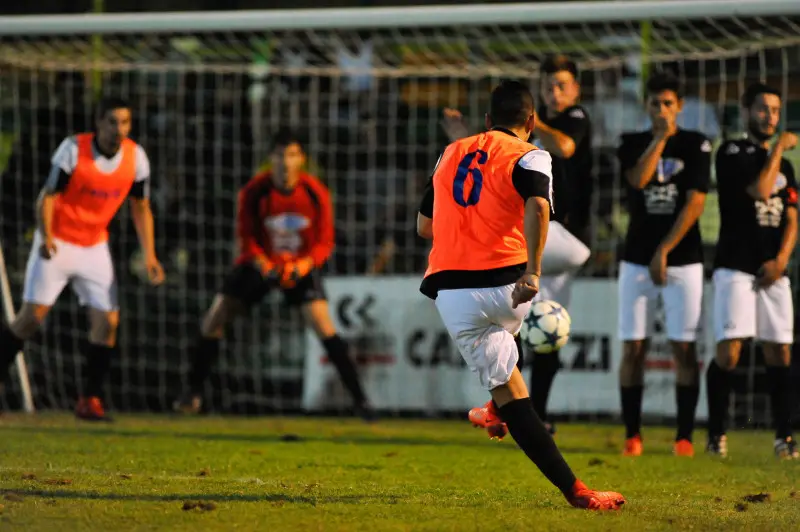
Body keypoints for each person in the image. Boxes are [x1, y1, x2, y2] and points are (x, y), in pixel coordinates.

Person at [418, 80, 625, 510]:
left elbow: (424, 226)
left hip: (450, 294)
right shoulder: (531, 153)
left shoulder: (450, 153)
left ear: (487, 121)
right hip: (506, 285)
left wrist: (467, 225)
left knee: (514, 400)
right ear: (531, 121)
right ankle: (509, 418)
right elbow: (537, 205)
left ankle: (576, 490)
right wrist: (533, 269)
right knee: (566, 267)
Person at [173, 129, 374, 420]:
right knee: (215, 317)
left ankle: (361, 402)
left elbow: (325, 241)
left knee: (323, 325)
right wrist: (263, 262)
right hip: (261, 265)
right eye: (280, 155)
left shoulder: (315, 192)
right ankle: (191, 395)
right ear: (271, 159)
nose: (286, 162)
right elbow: (246, 236)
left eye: (291, 155)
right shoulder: (254, 191)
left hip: (299, 267)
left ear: (301, 159)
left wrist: (304, 265)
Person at [442, 55, 592, 435]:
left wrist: (533, 118)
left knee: (495, 254)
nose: (555, 93)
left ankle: (509, 406)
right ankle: (526, 413)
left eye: (561, 86)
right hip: (541, 247)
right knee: (539, 326)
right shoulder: (518, 138)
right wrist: (463, 139)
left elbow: (567, 148)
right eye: (548, 87)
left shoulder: (573, 120)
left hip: (563, 238)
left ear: (575, 90)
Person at [0, 97, 165, 421]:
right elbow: (48, 197)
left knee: (108, 323)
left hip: (93, 246)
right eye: (112, 122)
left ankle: (90, 399)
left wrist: (150, 255)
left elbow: (141, 207)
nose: (119, 130)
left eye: (125, 123)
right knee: (30, 319)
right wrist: (45, 236)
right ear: (99, 123)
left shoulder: (136, 157)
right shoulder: (74, 149)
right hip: (57, 241)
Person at [616, 73, 712, 457]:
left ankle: (684, 437)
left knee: (683, 348)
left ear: (680, 106)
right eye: (655, 103)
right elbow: (638, 181)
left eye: (668, 103)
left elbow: (696, 202)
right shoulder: (631, 143)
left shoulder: (696, 144)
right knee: (633, 348)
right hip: (636, 258)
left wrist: (666, 250)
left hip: (683, 259)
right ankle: (632, 435)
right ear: (647, 106)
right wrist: (658, 139)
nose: (661, 110)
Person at [707, 83, 798, 459]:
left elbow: (792, 216)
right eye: (763, 109)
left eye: (776, 110)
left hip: (774, 270)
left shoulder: (788, 168)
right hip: (736, 266)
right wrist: (777, 147)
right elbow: (762, 191)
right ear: (746, 112)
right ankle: (716, 434)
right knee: (730, 354)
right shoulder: (732, 152)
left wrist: (782, 260)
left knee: (780, 352)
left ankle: (784, 437)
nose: (771, 117)